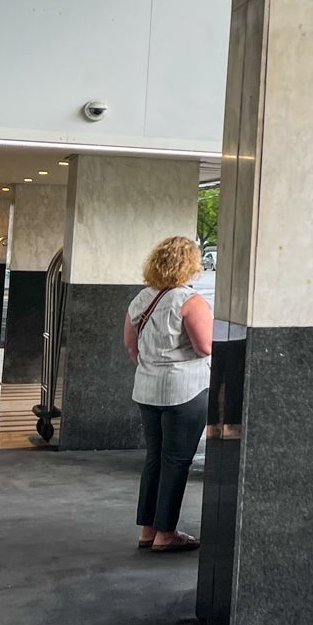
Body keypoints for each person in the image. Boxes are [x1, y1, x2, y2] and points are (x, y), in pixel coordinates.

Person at [124, 235, 213, 553]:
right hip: (185, 390)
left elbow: (131, 346)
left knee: (155, 459)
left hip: (147, 389)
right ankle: (166, 534)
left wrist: (154, 366)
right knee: (176, 462)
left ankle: (148, 530)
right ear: (190, 265)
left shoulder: (142, 299)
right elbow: (205, 347)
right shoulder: (190, 301)